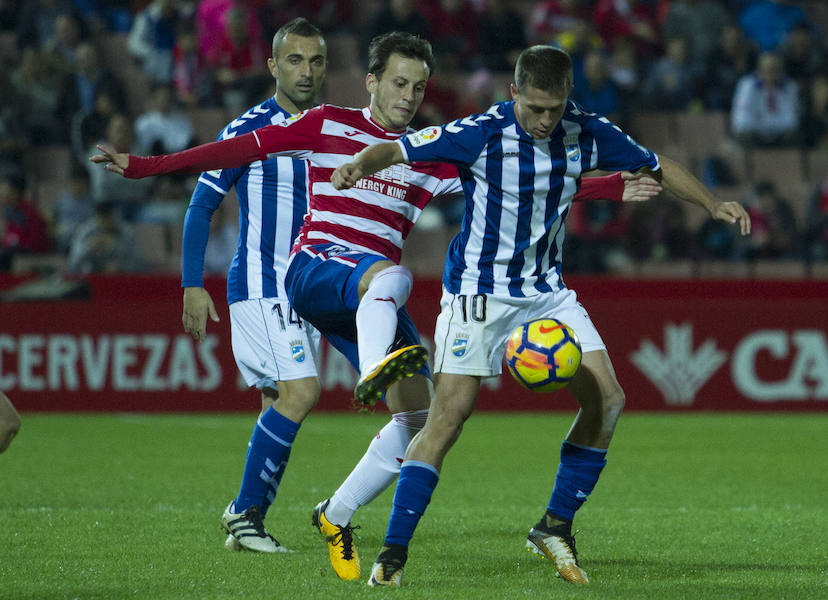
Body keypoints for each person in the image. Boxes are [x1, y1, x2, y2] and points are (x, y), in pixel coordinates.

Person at [90, 33, 660, 581]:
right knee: (392, 277)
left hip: (371, 296)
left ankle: (333, 514)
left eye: (417, 87)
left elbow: (520, 183)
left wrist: (610, 186)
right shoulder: (328, 124)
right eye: (398, 83)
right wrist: (143, 166)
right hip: (317, 269)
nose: (407, 97)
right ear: (372, 82)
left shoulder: (429, 158)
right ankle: (370, 375)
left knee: (418, 417)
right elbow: (232, 150)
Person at [330, 44, 750, 587]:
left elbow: (657, 166)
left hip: (546, 293)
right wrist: (358, 165)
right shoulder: (480, 132)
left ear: (568, 99)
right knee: (448, 419)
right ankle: (393, 552)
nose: (545, 120)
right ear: (514, 94)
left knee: (609, 398)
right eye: (534, 108)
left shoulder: (589, 131)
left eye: (554, 109)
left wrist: (713, 204)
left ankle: (554, 525)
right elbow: (399, 149)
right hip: (478, 294)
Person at [179, 17, 328, 557]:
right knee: (302, 392)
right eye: (294, 60)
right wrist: (192, 285)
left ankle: (250, 519)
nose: (305, 71)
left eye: (315, 61)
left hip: (307, 290)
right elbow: (202, 204)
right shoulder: (248, 130)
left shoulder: (333, 130)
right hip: (263, 284)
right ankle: (244, 514)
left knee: (277, 401)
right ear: (272, 65)